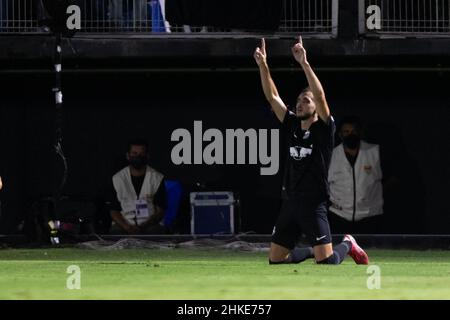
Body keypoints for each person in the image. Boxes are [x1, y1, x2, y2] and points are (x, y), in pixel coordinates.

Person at [254, 36, 369, 265]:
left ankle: (348, 243)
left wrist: (304, 64)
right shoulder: (291, 125)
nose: (300, 103)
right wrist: (263, 65)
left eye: (306, 100)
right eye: (298, 100)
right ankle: (310, 251)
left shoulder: (324, 129)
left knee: (326, 262)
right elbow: (272, 96)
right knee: (276, 260)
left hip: (314, 202)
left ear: (316, 108)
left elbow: (320, 96)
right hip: (291, 201)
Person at [328, 116, 384, 233]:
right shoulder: (331, 155)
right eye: (346, 132)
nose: (350, 134)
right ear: (340, 135)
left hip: (370, 217)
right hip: (339, 217)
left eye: (354, 131)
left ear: (360, 133)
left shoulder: (374, 152)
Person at [109, 139, 167, 234]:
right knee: (115, 231)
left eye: (141, 154)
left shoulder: (157, 177)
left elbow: (160, 211)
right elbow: (114, 211)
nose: (138, 157)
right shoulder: (117, 178)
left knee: (155, 231)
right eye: (134, 153)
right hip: (125, 224)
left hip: (149, 224)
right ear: (128, 156)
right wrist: (127, 227)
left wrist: (143, 226)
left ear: (147, 156)